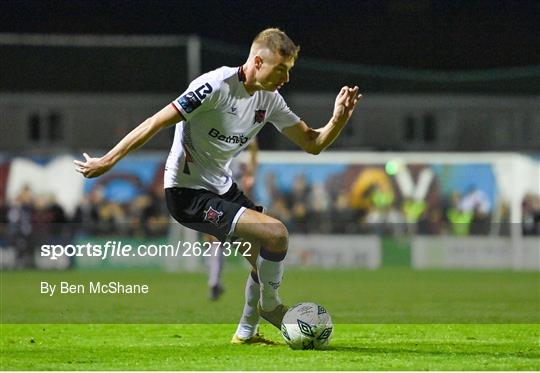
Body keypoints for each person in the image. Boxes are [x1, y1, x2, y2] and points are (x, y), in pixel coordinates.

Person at [74, 28, 362, 344]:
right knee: (276, 233)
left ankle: (246, 333)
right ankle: (271, 308)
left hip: (221, 188)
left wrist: (338, 119)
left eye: (289, 71)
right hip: (186, 194)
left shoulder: (270, 100)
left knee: (264, 254)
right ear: (257, 61)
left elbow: (313, 143)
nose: (286, 78)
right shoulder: (215, 86)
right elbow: (155, 122)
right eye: (281, 69)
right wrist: (109, 160)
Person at [206, 139, 258, 301]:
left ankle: (214, 279)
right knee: (247, 241)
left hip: (219, 197)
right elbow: (252, 165)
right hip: (236, 201)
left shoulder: (216, 158)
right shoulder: (236, 162)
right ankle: (263, 280)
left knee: (213, 240)